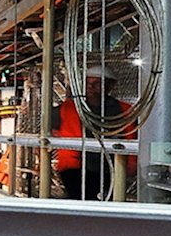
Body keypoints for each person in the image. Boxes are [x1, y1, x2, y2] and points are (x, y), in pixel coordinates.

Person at [53, 67, 132, 200]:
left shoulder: (124, 110)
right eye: (88, 83)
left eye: (96, 83)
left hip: (111, 168)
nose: (90, 87)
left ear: (110, 85)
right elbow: (49, 128)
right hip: (74, 168)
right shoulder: (70, 107)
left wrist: (129, 168)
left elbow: (131, 138)